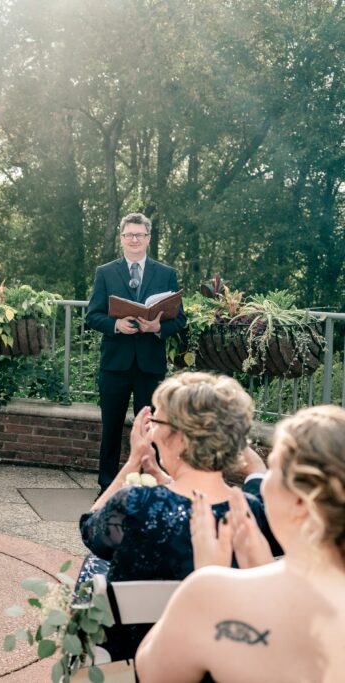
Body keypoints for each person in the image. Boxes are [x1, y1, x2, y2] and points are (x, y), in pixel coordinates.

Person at [137, 405, 345, 682]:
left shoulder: (211, 592)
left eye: (272, 468)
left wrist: (207, 582)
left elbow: (151, 675)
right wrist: (264, 568)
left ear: (299, 501)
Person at [78, 372, 277, 659]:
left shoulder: (135, 505)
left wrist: (132, 463)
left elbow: (89, 530)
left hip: (136, 659)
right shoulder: (250, 513)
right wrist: (161, 476)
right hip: (219, 663)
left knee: (94, 564)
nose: (153, 431)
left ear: (181, 439)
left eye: (157, 422)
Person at [86, 212, 186, 492]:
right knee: (112, 428)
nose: (134, 240)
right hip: (114, 365)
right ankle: (107, 484)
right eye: (129, 234)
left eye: (139, 235)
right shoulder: (105, 272)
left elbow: (179, 320)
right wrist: (115, 324)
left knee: (150, 429)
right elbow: (92, 316)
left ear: (148, 239)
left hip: (149, 365)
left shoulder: (166, 273)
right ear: (122, 238)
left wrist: (156, 327)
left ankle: (148, 483)